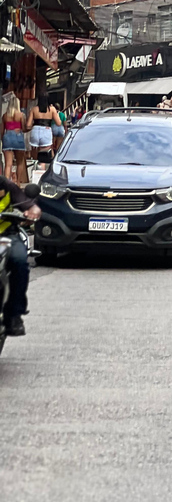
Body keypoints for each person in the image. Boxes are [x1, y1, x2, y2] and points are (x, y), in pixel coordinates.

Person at [0, 176, 42, 336]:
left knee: (19, 261)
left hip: (6, 236)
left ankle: (14, 315)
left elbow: (29, 205)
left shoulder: (7, 186)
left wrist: (33, 212)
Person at [26, 94, 62, 169]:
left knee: (35, 153)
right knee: (45, 154)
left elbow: (28, 125)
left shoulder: (34, 109)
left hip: (35, 130)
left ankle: (35, 168)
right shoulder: (52, 109)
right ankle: (42, 170)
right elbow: (59, 123)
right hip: (46, 130)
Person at [1, 95, 27, 183]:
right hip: (18, 137)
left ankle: (6, 184)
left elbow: (1, 131)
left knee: (8, 164)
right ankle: (18, 183)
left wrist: (2, 140)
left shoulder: (5, 116)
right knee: (20, 163)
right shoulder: (21, 115)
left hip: (7, 137)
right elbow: (23, 128)